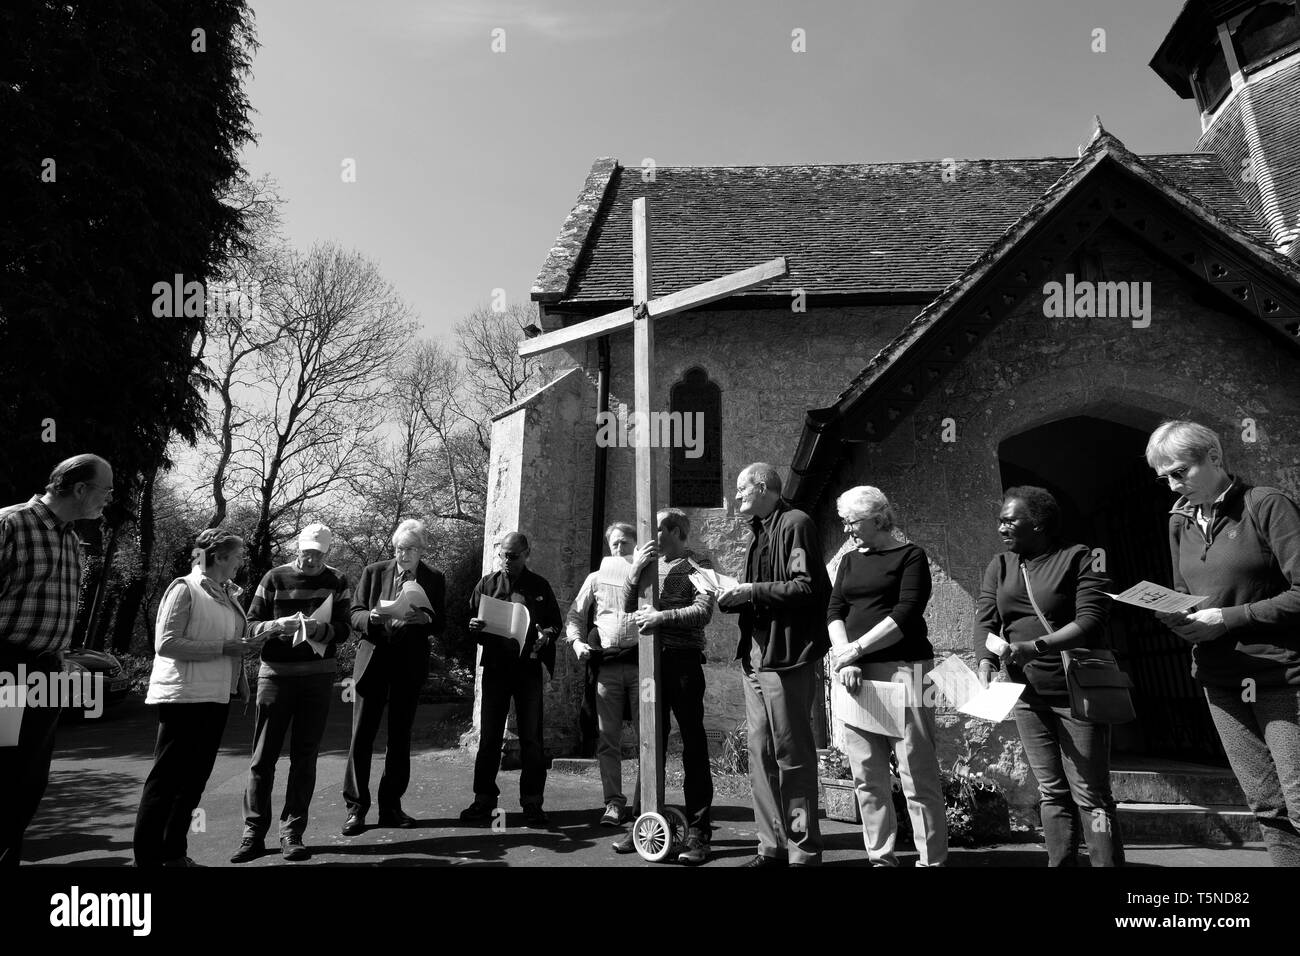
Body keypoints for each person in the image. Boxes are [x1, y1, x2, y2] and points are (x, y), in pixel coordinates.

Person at [1145, 420, 1300, 867]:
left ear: (1214, 457)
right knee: (1267, 806)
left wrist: (1229, 619)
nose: (1173, 485)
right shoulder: (1179, 521)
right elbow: (1184, 593)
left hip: (1280, 674)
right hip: (1220, 678)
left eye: (1180, 472)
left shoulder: (1265, 505)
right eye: (1165, 478)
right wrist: (1175, 617)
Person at [975, 486, 1124, 867]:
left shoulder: (1079, 558)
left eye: (1010, 520)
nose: (1001, 527)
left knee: (1091, 793)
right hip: (1027, 693)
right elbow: (987, 618)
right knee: (1051, 790)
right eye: (999, 520)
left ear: (1038, 523)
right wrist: (985, 661)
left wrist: (1036, 646)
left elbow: (1090, 621)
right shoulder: (1002, 564)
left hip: (1077, 690)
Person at [0, 454, 112, 866]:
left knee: (29, 778)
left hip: (47, 670)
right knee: (4, 772)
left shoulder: (70, 539)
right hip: (5, 669)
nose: (110, 499)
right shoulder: (10, 524)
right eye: (106, 490)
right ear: (80, 489)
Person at [827, 486, 947, 867]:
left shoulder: (912, 555)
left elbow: (907, 612)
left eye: (853, 522)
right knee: (867, 775)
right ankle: (881, 858)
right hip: (855, 676)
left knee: (918, 773)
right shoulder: (848, 561)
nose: (848, 531)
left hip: (907, 671)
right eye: (844, 523)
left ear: (878, 519)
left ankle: (932, 861)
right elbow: (834, 610)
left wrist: (857, 649)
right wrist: (846, 661)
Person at [718, 463, 830, 866]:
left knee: (792, 755)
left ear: (763, 487)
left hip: (786, 657)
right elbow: (765, 593)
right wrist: (734, 596)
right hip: (755, 657)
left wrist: (750, 591)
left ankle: (803, 851)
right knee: (760, 751)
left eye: (742, 489)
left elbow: (806, 587)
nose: (737, 497)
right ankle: (770, 847)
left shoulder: (795, 522)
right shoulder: (759, 531)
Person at [133, 529, 263, 867]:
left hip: (215, 697)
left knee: (192, 784)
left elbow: (229, 641)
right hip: (183, 699)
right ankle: (146, 861)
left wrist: (241, 674)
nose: (241, 562)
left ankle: (174, 854)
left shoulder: (228, 593)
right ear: (219, 557)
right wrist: (225, 648)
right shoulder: (183, 588)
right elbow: (167, 644)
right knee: (166, 782)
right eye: (237, 556)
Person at [230, 522, 351, 864]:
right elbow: (249, 626)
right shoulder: (273, 578)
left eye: (318, 555)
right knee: (262, 758)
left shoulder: (337, 580)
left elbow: (344, 629)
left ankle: (292, 832)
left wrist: (320, 629)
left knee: (305, 756)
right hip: (276, 676)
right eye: (306, 553)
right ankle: (253, 832)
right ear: (296, 550)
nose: (311, 561)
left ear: (328, 553)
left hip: (317, 677)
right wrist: (273, 627)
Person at [614, 508, 716, 865]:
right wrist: (635, 571)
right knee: (649, 742)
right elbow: (628, 607)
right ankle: (642, 823)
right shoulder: (649, 565)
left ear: (674, 531)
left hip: (684, 664)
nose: (648, 534)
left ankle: (700, 833)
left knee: (692, 743)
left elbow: (704, 610)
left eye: (655, 529)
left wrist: (663, 617)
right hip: (649, 666)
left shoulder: (698, 563)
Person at [342, 519, 446, 835]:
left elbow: (439, 622)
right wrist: (371, 617)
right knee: (362, 736)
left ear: (421, 550)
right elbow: (354, 613)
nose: (404, 555)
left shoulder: (434, 577)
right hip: (373, 661)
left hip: (408, 665)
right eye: (400, 548)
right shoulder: (374, 572)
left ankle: (391, 807)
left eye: (411, 549)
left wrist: (423, 619)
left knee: (400, 739)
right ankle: (356, 809)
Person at [461, 532, 563, 827]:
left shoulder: (539, 586)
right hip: (496, 667)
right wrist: (474, 625)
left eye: (513, 556)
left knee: (532, 738)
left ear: (526, 553)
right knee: (490, 737)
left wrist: (547, 636)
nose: (507, 561)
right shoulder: (487, 584)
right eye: (503, 555)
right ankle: (483, 800)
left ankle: (532, 803)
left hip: (528, 668)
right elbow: (471, 621)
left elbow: (555, 623)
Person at [565, 522, 639, 828]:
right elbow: (574, 615)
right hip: (607, 669)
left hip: (641, 669)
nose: (619, 550)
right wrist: (577, 642)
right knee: (608, 738)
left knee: (648, 736)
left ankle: (646, 802)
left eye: (624, 543)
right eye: (614, 545)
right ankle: (613, 803)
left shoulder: (648, 575)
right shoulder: (595, 578)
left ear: (636, 545)